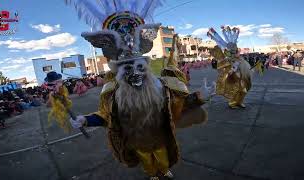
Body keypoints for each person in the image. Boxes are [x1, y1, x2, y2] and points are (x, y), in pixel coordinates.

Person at [65, 1, 216, 179]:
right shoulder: (115, 96)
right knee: (147, 163)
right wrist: (86, 120)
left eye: (139, 67)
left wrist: (200, 97)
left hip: (160, 137)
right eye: (128, 69)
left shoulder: (160, 87)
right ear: (119, 73)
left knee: (162, 159)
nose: (135, 73)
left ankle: (164, 170)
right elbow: (107, 116)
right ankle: (152, 174)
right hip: (136, 141)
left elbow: (177, 105)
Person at [208, 26, 252, 109]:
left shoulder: (239, 59)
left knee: (243, 90)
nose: (235, 52)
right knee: (234, 91)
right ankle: (232, 102)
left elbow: (243, 66)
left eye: (235, 50)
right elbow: (221, 67)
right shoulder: (226, 59)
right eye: (233, 51)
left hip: (240, 77)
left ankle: (239, 102)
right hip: (232, 78)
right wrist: (230, 69)